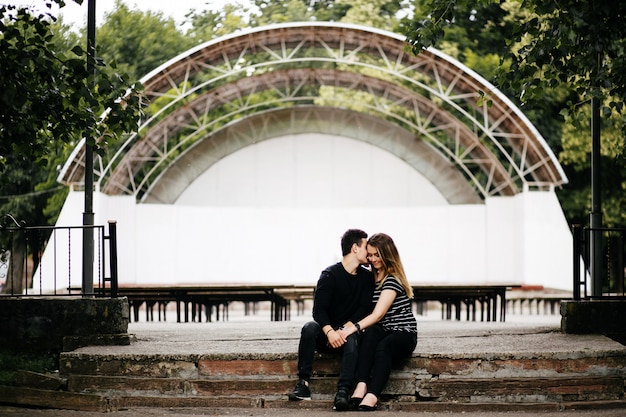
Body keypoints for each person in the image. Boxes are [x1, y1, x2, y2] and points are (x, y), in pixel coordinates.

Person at [288, 228, 374, 411]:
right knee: (309, 328)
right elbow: (318, 311)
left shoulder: (367, 278)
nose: (371, 251)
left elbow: (364, 309)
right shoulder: (329, 275)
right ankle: (303, 384)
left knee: (352, 336)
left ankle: (343, 392)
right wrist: (329, 332)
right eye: (367, 246)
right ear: (355, 248)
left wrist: (342, 331)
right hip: (327, 334)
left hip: (347, 334)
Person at [337, 232, 417, 411]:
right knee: (370, 334)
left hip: (403, 333)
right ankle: (361, 384)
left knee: (384, 346)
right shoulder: (371, 278)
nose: (372, 259)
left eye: (376, 255)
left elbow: (378, 315)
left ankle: (372, 394)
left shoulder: (392, 280)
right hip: (383, 330)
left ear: (387, 254)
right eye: (370, 254)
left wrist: (351, 329)